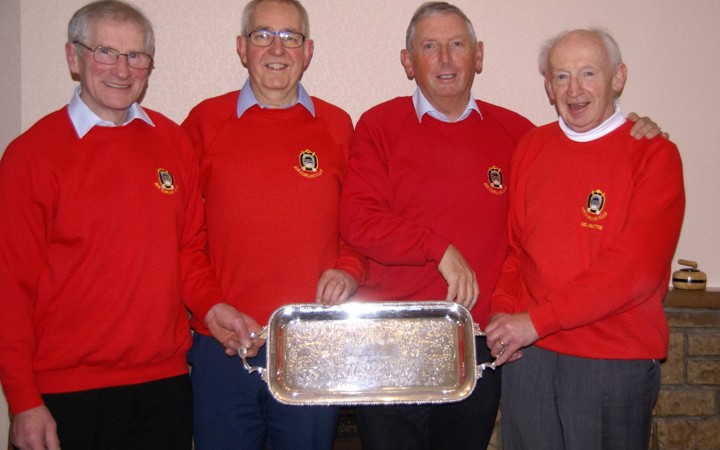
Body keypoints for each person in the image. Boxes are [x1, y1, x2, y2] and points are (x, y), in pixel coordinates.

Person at [338, 3, 665, 450]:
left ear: (479, 56)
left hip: (477, 346)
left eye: (458, 45)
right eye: (430, 47)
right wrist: (438, 247)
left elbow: (581, 156)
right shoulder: (378, 125)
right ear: (408, 61)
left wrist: (633, 129)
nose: (446, 59)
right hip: (393, 343)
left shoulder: (519, 136)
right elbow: (357, 220)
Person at [0, 2, 258, 450]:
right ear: (72, 58)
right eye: (105, 52)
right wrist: (23, 399)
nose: (122, 69)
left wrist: (214, 308)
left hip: (165, 384)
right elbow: (9, 287)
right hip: (66, 392)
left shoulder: (171, 142)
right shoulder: (31, 156)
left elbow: (188, 253)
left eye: (136, 56)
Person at [485, 28, 685, 450]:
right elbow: (517, 254)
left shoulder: (653, 155)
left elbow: (635, 273)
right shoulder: (531, 148)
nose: (574, 90)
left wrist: (533, 323)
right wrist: (504, 318)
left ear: (618, 78)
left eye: (588, 73)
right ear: (547, 86)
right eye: (561, 76)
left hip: (611, 364)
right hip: (529, 359)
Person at [180, 0, 367, 449]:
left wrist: (349, 270)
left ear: (309, 50)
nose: (277, 49)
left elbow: (360, 226)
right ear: (242, 48)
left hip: (310, 348)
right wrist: (207, 306)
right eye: (263, 35)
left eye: (291, 37)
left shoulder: (338, 126)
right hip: (222, 345)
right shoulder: (204, 123)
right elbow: (181, 238)